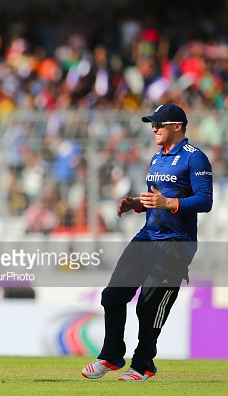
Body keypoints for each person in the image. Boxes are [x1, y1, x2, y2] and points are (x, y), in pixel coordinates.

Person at [81, 104, 213, 381]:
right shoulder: (157, 157)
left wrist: (171, 203)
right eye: (152, 123)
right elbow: (158, 199)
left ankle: (143, 364)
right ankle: (112, 355)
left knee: (148, 306)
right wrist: (136, 204)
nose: (154, 128)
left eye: (160, 124)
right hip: (148, 236)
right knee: (113, 296)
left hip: (176, 243)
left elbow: (205, 200)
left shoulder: (195, 158)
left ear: (177, 126)